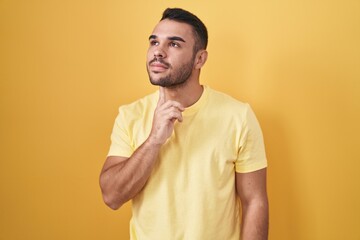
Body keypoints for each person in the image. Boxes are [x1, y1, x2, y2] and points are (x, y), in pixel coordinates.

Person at [99, 8, 268, 240]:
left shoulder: (238, 116)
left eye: (174, 44)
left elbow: (254, 202)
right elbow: (111, 196)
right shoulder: (130, 115)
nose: (158, 51)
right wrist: (154, 140)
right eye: (154, 42)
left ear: (200, 59)